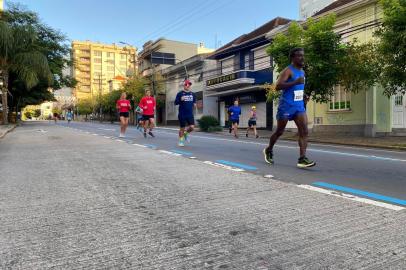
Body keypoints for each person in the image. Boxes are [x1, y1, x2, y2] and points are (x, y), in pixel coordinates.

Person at [263, 48, 315, 168]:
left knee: (304, 131)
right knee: (280, 131)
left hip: (298, 106)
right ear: (293, 57)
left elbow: (298, 87)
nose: (302, 58)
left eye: (303, 55)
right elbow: (278, 86)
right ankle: (269, 150)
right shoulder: (287, 71)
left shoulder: (302, 72)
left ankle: (302, 159)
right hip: (286, 105)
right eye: (299, 56)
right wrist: (295, 82)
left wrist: (304, 94)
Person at [175, 79, 196, 147]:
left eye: (189, 84)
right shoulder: (180, 93)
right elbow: (175, 102)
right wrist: (180, 100)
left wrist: (195, 105)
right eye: (187, 84)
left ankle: (186, 133)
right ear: (184, 85)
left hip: (190, 114)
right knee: (182, 128)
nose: (188, 85)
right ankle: (181, 141)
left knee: (192, 127)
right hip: (182, 114)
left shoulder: (193, 94)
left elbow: (194, 102)